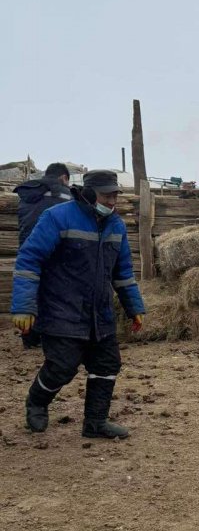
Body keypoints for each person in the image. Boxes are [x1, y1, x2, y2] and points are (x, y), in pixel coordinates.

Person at [11, 170, 146, 439]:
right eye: (107, 195)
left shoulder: (116, 226)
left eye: (115, 196)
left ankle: (95, 422)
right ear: (87, 193)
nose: (112, 201)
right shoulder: (57, 217)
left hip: (100, 313)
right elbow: (29, 260)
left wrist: (135, 307)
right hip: (62, 310)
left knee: (107, 365)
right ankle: (37, 401)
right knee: (62, 366)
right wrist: (24, 305)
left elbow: (123, 273)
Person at [14, 163, 73, 349]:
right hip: (55, 250)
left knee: (31, 291)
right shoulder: (65, 193)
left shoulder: (28, 192)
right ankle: (52, 336)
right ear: (63, 178)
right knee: (55, 293)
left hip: (28, 248)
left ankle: (29, 338)